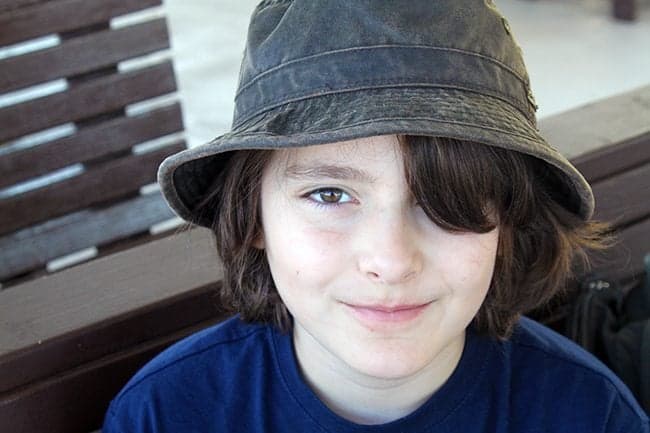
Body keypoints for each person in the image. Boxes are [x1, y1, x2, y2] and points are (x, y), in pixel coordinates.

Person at [103, 0, 650, 431]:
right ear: (254, 221)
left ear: (507, 227)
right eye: (329, 195)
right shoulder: (165, 415)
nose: (390, 262)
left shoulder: (591, 415)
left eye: (446, 200)